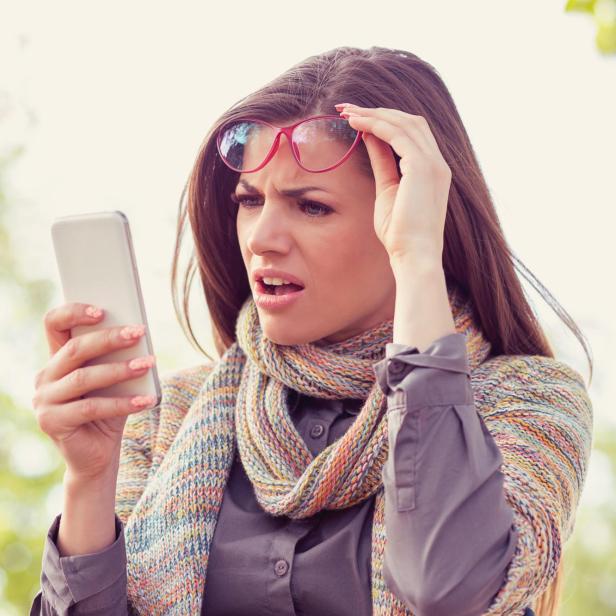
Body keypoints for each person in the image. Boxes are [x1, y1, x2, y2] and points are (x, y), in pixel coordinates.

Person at [29, 46, 593, 616]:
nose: (261, 237)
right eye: (249, 201)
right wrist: (89, 478)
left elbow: (448, 589)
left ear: (415, 218)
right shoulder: (168, 411)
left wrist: (417, 262)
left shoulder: (530, 402)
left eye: (312, 207)